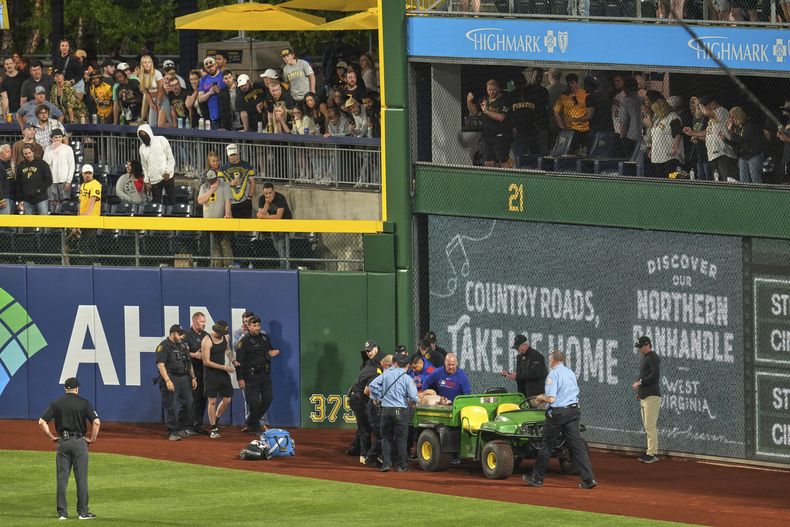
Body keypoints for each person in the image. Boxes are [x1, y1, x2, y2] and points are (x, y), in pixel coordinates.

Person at [523, 350, 597, 489]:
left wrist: (541, 398)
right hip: (574, 411)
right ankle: (589, 479)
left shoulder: (553, 374)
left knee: (546, 446)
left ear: (553, 360)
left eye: (550, 359)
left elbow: (551, 399)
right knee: (577, 446)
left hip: (558, 414)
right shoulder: (570, 373)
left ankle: (536, 479)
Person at [38, 377, 99, 520]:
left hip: (63, 443)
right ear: (77, 388)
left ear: (65, 389)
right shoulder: (84, 403)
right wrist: (92, 439)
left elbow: (41, 422)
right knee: (81, 479)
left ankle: (62, 513)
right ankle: (83, 513)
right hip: (79, 443)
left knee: (62, 479)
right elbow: (96, 422)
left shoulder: (57, 403)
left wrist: (51, 436)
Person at [368, 349, 418, 472]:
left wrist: (377, 397)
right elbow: (413, 397)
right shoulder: (407, 378)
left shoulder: (386, 374)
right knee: (401, 438)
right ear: (407, 366)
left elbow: (372, 385)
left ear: (396, 363)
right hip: (400, 411)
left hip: (385, 410)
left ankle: (386, 464)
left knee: (386, 438)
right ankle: (402, 465)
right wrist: (410, 401)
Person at [236, 315, 280, 435]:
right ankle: (255, 427)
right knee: (253, 402)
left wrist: (272, 353)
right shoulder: (243, 341)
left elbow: (269, 351)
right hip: (251, 376)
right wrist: (240, 379)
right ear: (248, 326)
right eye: (254, 325)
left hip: (265, 374)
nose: (257, 327)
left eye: (258, 325)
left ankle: (250, 421)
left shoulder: (265, 338)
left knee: (268, 398)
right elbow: (239, 362)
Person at [155, 324, 196, 441]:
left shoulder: (182, 346)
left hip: (184, 378)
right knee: (171, 406)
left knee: (189, 403)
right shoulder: (163, 346)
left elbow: (189, 362)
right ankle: (172, 431)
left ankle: (181, 427)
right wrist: (167, 380)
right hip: (171, 377)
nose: (182, 337)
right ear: (173, 334)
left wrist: (193, 377)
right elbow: (160, 365)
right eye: (180, 334)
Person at [348, 340, 383, 464]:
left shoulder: (375, 363)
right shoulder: (375, 368)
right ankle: (364, 455)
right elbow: (367, 391)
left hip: (358, 397)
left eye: (370, 350)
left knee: (363, 425)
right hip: (359, 398)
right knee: (365, 427)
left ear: (376, 349)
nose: (368, 353)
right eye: (367, 351)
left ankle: (359, 449)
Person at [201, 320, 235, 439]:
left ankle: (216, 418)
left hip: (222, 373)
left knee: (227, 399)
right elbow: (206, 362)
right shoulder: (207, 340)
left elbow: (227, 350)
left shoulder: (226, 337)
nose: (222, 334)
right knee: (212, 401)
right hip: (211, 374)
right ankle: (213, 428)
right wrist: (225, 367)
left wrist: (233, 360)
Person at [467, 79, 511, 168]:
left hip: (500, 136)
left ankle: (507, 176)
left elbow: (501, 117)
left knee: (503, 162)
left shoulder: (504, 100)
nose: (491, 92)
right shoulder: (484, 99)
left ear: (498, 89)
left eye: (493, 89)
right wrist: (469, 101)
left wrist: (487, 111)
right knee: (488, 162)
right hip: (486, 136)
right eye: (489, 89)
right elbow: (474, 111)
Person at [632, 336, 661, 463]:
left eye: (640, 347)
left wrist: (641, 383)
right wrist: (640, 392)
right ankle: (650, 451)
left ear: (647, 345)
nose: (639, 349)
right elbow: (644, 375)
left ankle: (652, 453)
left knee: (650, 426)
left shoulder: (653, 357)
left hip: (652, 396)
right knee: (647, 426)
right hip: (645, 396)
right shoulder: (646, 357)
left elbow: (655, 375)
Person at [197, 169, 233, 268]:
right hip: (209, 222)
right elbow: (200, 200)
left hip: (222, 221)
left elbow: (227, 202)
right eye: (210, 181)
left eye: (213, 180)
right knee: (214, 246)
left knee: (225, 244)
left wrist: (227, 214)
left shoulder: (225, 185)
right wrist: (211, 190)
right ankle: (217, 267)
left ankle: (229, 266)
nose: (212, 182)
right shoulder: (204, 187)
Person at [723, 106, 768, 184]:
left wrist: (731, 131)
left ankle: (759, 192)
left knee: (756, 179)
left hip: (753, 155)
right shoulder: (738, 127)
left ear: (738, 115)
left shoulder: (749, 125)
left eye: (733, 117)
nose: (732, 120)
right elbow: (737, 143)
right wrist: (725, 140)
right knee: (743, 181)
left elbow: (743, 140)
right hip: (743, 155)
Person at [184, 312, 210, 434]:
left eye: (204, 321)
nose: (203, 324)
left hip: (204, 372)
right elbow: (182, 352)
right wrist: (195, 355)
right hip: (191, 372)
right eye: (201, 321)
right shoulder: (186, 335)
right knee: (192, 399)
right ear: (194, 321)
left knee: (203, 399)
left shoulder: (206, 335)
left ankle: (198, 425)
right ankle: (188, 426)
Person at [257, 181, 292, 268]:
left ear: (274, 191)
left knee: (282, 246)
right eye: (266, 193)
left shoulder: (280, 197)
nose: (268, 195)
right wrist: (267, 203)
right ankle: (284, 265)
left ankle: (284, 268)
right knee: (277, 247)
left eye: (270, 193)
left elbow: (278, 216)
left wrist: (263, 216)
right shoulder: (262, 199)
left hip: (284, 224)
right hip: (273, 225)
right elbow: (261, 214)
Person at [137, 123, 175, 205]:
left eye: (144, 134)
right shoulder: (142, 149)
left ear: (148, 132)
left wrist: (168, 171)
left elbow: (170, 158)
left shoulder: (161, 140)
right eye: (141, 135)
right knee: (156, 203)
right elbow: (145, 166)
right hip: (154, 179)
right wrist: (146, 181)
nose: (143, 136)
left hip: (167, 177)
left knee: (172, 201)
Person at [501, 335, 547, 400]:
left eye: (517, 347)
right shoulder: (520, 357)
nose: (517, 350)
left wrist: (517, 376)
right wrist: (509, 375)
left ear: (524, 345)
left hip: (536, 393)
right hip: (524, 394)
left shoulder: (536, 356)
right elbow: (521, 375)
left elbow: (535, 374)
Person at [553, 73, 589, 154]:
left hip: (584, 129)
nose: (570, 85)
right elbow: (556, 112)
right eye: (568, 83)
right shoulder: (563, 96)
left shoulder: (585, 94)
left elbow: (590, 110)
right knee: (570, 152)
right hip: (570, 129)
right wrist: (562, 128)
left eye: (572, 82)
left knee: (584, 153)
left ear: (577, 83)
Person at [219, 143, 255, 218]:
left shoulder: (247, 166)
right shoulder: (222, 169)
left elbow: (252, 182)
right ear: (228, 155)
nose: (233, 157)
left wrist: (250, 197)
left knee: (247, 224)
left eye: (234, 154)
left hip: (245, 201)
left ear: (238, 153)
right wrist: (230, 184)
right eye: (231, 155)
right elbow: (220, 186)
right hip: (231, 203)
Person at [42, 128, 74, 210]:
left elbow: (71, 165)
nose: (58, 139)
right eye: (56, 137)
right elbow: (45, 163)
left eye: (59, 137)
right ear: (52, 138)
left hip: (64, 180)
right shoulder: (48, 148)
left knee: (65, 203)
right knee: (53, 203)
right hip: (52, 181)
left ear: (62, 138)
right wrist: (52, 149)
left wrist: (68, 181)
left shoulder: (68, 149)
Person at [15, 143, 51, 215]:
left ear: (33, 152)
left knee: (44, 220)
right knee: (28, 221)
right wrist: (19, 199)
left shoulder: (42, 164)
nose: (28, 155)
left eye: (29, 152)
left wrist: (39, 190)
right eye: (25, 153)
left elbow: (49, 180)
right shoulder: (21, 165)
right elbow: (18, 183)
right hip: (26, 199)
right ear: (23, 154)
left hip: (41, 198)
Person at [198, 56, 224, 129]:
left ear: (216, 64)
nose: (210, 68)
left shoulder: (223, 75)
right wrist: (209, 93)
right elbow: (200, 99)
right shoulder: (203, 79)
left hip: (224, 113)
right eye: (208, 67)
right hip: (212, 115)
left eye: (212, 66)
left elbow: (231, 90)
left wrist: (219, 91)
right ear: (205, 68)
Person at [0, 144, 13, 214]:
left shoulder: (8, 164)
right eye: (7, 152)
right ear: (1, 153)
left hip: (10, 196)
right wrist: (1, 199)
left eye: (10, 152)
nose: (10, 154)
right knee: (4, 219)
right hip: (3, 197)